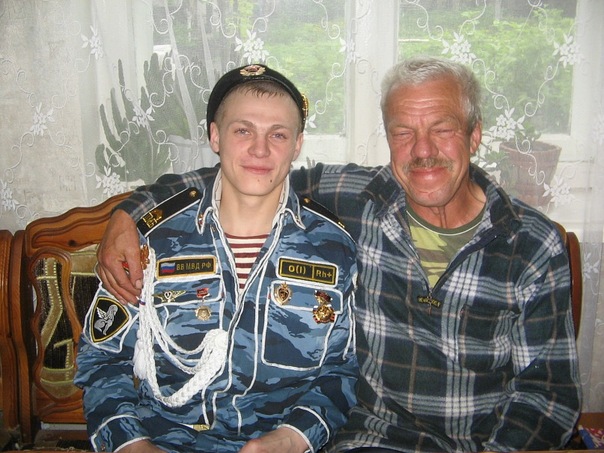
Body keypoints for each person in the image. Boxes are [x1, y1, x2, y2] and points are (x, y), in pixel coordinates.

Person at [95, 57, 582, 452]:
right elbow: (246, 175)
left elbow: (548, 395)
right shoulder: (362, 199)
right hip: (373, 440)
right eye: (403, 132)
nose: (423, 150)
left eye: (443, 128)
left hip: (483, 443)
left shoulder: (531, 245)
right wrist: (128, 214)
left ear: (475, 135)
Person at [75, 64, 359, 453]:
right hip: (163, 441)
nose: (260, 149)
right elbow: (103, 361)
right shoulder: (152, 240)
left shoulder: (333, 247)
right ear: (215, 136)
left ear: (297, 145)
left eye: (278, 134)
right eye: (243, 131)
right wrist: (131, 445)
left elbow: (343, 370)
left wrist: (292, 439)